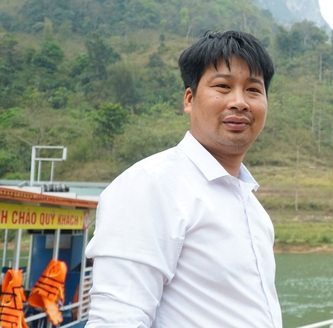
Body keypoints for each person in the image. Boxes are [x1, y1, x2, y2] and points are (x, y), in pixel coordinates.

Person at [85, 30, 282, 328]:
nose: (240, 102)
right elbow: (117, 319)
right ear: (189, 99)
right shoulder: (152, 185)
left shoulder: (253, 210)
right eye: (223, 86)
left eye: (253, 90)